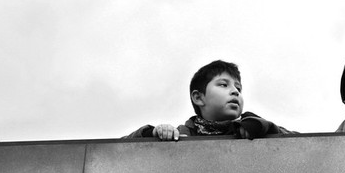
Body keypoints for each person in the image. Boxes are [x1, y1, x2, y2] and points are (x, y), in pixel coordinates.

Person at [125, 60, 295, 140]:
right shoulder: (183, 134)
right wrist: (151, 133)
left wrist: (264, 127)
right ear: (199, 97)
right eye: (223, 85)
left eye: (238, 88)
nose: (235, 91)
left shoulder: (251, 128)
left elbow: (308, 144)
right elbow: (116, 150)